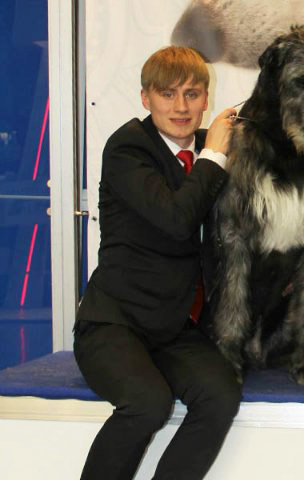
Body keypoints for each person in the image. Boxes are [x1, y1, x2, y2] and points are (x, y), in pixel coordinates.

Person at [73, 46, 241, 480]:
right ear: (145, 99)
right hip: (113, 324)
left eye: (192, 93)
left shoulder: (211, 150)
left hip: (174, 327)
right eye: (167, 94)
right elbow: (175, 219)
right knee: (147, 404)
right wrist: (216, 155)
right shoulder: (129, 147)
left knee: (220, 395)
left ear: (207, 99)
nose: (181, 107)